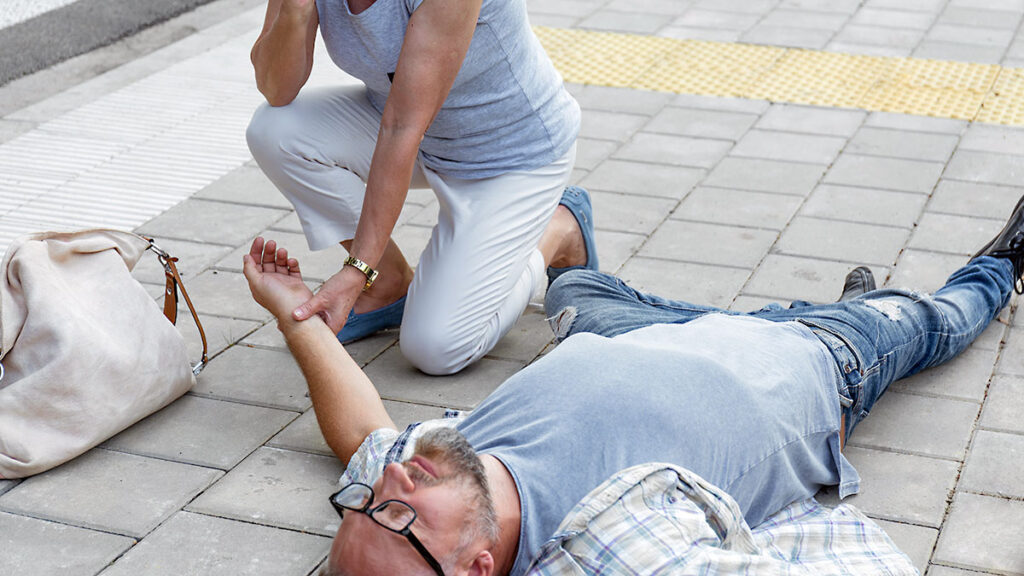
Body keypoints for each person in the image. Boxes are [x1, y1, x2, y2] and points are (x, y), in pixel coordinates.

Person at [241, 196, 1024, 575]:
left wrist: (290, 314)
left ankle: (567, 230)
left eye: (371, 500)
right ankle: (1002, 265)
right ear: (479, 566)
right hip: (812, 359)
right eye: (399, 513)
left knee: (573, 293)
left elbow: (360, 435)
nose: (392, 481)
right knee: (933, 318)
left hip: (627, 334)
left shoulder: (429, 468)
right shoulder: (609, 553)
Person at [244, 0, 595, 376]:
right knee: (275, 131)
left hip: (508, 157)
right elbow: (276, 90)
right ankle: (389, 284)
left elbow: (402, 127)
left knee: (436, 348)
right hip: (420, 137)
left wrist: (355, 271)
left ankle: (559, 226)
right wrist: (295, 10)